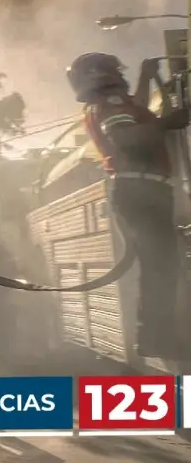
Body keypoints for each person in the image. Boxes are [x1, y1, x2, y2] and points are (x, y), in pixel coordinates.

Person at [67, 52, 189, 359]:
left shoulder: (109, 105)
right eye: (116, 71)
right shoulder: (111, 104)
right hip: (143, 190)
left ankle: (153, 338)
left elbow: (137, 115)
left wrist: (146, 77)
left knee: (158, 267)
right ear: (103, 75)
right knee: (160, 269)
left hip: (137, 190)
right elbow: (127, 138)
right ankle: (154, 340)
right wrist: (166, 124)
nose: (121, 76)